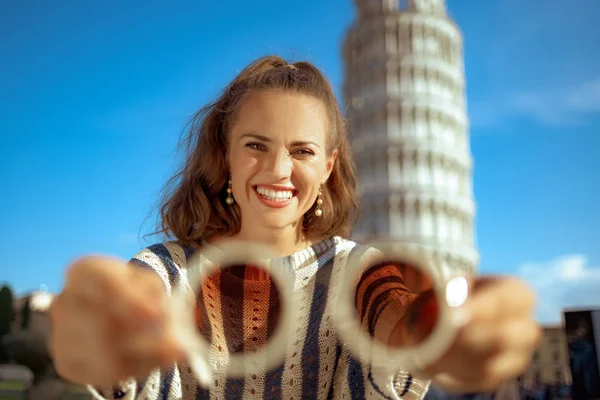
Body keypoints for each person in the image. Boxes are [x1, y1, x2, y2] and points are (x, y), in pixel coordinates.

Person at [47, 56, 540, 399]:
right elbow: (122, 334)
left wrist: (441, 329)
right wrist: (99, 338)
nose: (279, 170)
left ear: (327, 166)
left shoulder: (357, 270)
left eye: (301, 151)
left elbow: (396, 317)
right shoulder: (168, 270)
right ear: (226, 155)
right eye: (256, 145)